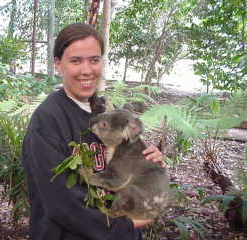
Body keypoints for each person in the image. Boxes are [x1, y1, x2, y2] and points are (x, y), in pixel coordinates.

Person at [22, 23, 164, 240]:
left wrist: (148, 162)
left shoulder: (104, 109)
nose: (87, 70)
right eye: (76, 61)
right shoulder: (48, 120)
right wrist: (127, 226)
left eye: (94, 60)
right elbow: (62, 204)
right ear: (58, 64)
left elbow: (126, 170)